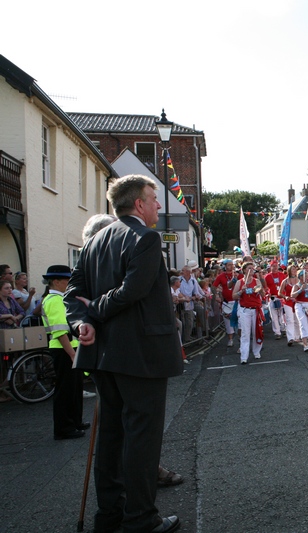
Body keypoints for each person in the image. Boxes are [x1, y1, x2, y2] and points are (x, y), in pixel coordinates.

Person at [66, 174, 182, 533]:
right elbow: (134, 290)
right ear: (138, 204)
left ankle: (111, 514)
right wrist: (94, 312)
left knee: (112, 436)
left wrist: (82, 322)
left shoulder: (94, 241)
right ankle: (141, 519)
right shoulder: (145, 238)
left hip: (102, 354)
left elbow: (73, 295)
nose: (159, 205)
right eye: (153, 198)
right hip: (139, 354)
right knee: (142, 439)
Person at [41, 265, 88, 440]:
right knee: (65, 390)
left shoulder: (59, 298)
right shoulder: (54, 300)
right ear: (56, 281)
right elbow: (60, 331)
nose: (69, 284)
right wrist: (72, 353)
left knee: (75, 387)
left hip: (69, 347)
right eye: (67, 280)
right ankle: (64, 428)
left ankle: (75, 421)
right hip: (63, 349)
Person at [233, 261, 264, 364]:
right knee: (245, 333)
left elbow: (263, 294)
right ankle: (244, 356)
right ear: (244, 270)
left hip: (256, 309)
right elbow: (234, 296)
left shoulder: (257, 281)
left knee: (256, 331)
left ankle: (256, 352)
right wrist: (241, 291)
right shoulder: (240, 282)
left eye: (252, 268)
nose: (251, 270)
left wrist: (259, 290)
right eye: (249, 268)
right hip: (245, 309)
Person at [212, 259, 238, 347]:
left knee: (240, 321)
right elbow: (213, 287)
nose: (231, 266)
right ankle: (230, 339)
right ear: (225, 266)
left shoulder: (238, 275)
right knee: (228, 322)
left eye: (232, 264)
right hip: (226, 302)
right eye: (229, 265)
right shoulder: (220, 276)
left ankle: (241, 339)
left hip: (238, 301)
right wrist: (216, 296)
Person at [291, 270, 308, 352]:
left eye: (306, 275)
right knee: (302, 323)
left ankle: (305, 337)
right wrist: (300, 290)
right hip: (300, 305)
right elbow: (292, 295)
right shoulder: (296, 286)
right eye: (303, 275)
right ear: (300, 277)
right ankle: (305, 344)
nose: (305, 277)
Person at [279, 265, 302, 346]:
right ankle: (290, 338)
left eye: (295, 269)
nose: (294, 270)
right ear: (289, 271)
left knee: (297, 320)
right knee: (290, 320)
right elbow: (280, 293)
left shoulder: (299, 280)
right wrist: (285, 296)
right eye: (292, 269)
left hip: (297, 302)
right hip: (288, 303)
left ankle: (297, 336)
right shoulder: (285, 281)